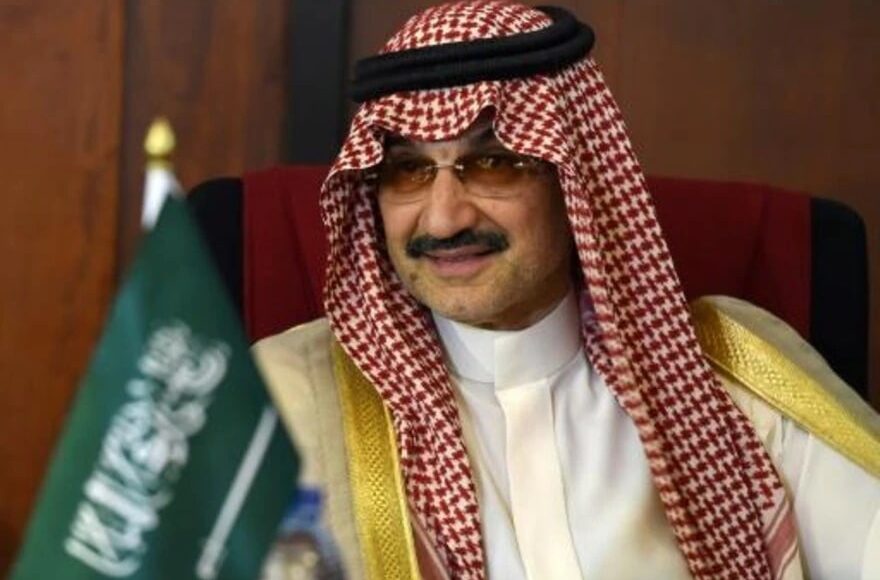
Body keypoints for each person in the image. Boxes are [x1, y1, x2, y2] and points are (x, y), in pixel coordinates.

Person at [255, 2, 880, 578]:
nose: (443, 220)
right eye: (408, 170)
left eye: (494, 163)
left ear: (576, 183)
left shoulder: (730, 378)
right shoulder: (279, 400)